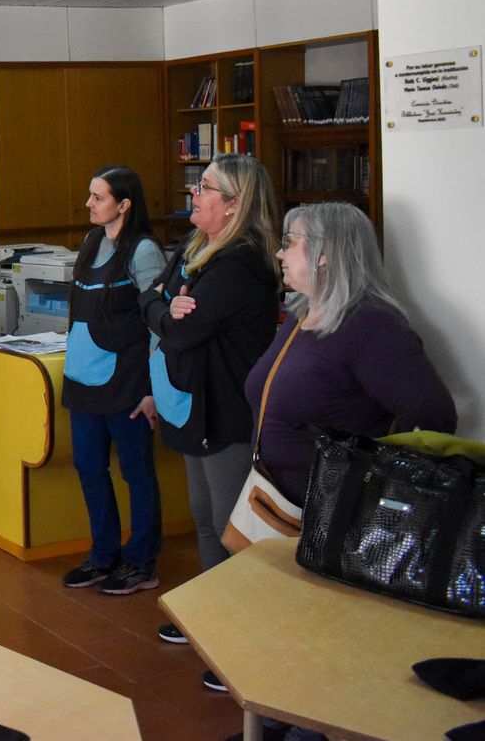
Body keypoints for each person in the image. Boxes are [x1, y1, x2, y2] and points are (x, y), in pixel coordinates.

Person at [138, 153, 280, 686]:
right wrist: (162, 305)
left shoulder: (240, 264)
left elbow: (178, 331)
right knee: (203, 517)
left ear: (234, 204)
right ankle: (208, 621)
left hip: (228, 413)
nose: (195, 193)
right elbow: (149, 300)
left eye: (206, 187)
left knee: (229, 528)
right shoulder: (196, 247)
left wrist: (162, 311)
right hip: (194, 406)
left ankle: (238, 644)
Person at [246, 202, 456, 503]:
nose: (280, 253)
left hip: (334, 514)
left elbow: (433, 415)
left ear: (324, 254)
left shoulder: (371, 325)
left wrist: (384, 490)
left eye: (289, 243)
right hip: (277, 500)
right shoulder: (299, 313)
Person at [60, 167, 166, 596]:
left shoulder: (143, 251)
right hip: (84, 379)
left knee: (137, 473)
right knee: (89, 467)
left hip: (127, 382)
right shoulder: (90, 242)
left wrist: (153, 388)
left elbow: (158, 324)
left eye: (98, 197)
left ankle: (140, 562)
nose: (89, 204)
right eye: (90, 195)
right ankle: (103, 555)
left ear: (124, 204)